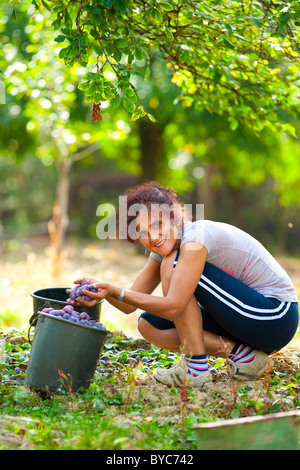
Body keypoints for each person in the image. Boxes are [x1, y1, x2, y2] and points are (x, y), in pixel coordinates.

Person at [68, 181, 299, 388]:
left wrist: (117, 291)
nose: (154, 236)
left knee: (173, 265)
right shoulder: (165, 250)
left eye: (159, 224)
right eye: (143, 233)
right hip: (242, 320)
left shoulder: (195, 238)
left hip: (275, 316)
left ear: (175, 217)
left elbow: (174, 306)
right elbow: (130, 304)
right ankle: (244, 357)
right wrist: (103, 290)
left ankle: (195, 368)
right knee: (149, 325)